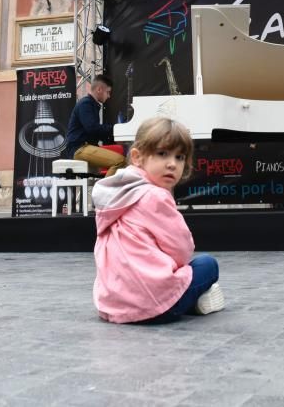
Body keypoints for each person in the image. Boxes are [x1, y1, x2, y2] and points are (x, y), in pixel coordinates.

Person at [92, 116, 224, 324]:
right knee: (207, 264)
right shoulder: (154, 195)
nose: (172, 164)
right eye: (162, 154)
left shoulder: (115, 195)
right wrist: (174, 265)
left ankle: (187, 299)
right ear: (137, 157)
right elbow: (182, 250)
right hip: (154, 306)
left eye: (180, 157)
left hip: (113, 306)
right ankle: (190, 301)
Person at [65, 74, 125, 177]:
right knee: (119, 161)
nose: (109, 96)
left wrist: (115, 135)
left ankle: (106, 189)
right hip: (79, 149)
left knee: (124, 161)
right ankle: (103, 192)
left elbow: (95, 132)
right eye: (108, 92)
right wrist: (115, 129)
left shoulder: (91, 104)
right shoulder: (85, 104)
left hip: (84, 147)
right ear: (99, 89)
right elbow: (92, 128)